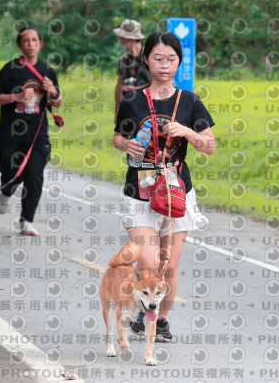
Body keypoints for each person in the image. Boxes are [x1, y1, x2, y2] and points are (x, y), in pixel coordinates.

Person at [113, 31, 215, 341]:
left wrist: (186, 130)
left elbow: (209, 145)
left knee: (169, 266)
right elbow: (117, 137)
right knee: (148, 262)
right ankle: (139, 304)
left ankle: (161, 321)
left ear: (179, 62)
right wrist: (127, 145)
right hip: (140, 189)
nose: (164, 64)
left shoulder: (190, 101)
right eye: (158, 58)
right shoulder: (132, 99)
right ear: (146, 60)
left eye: (171, 59)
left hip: (176, 192)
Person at [0, 26, 63, 236]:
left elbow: (57, 103)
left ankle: (26, 221)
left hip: (37, 133)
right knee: (12, 172)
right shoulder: (10, 69)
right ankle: (6, 190)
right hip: (10, 132)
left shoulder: (47, 71)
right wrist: (16, 97)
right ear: (19, 45)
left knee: (34, 176)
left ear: (40, 44)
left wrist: (53, 91)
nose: (30, 45)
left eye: (34, 40)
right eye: (26, 41)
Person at [113, 19, 152, 124]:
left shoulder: (150, 57)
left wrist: (135, 90)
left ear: (131, 38)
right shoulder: (123, 60)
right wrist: (117, 111)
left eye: (122, 37)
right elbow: (119, 86)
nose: (120, 40)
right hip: (130, 109)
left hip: (150, 109)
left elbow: (160, 84)